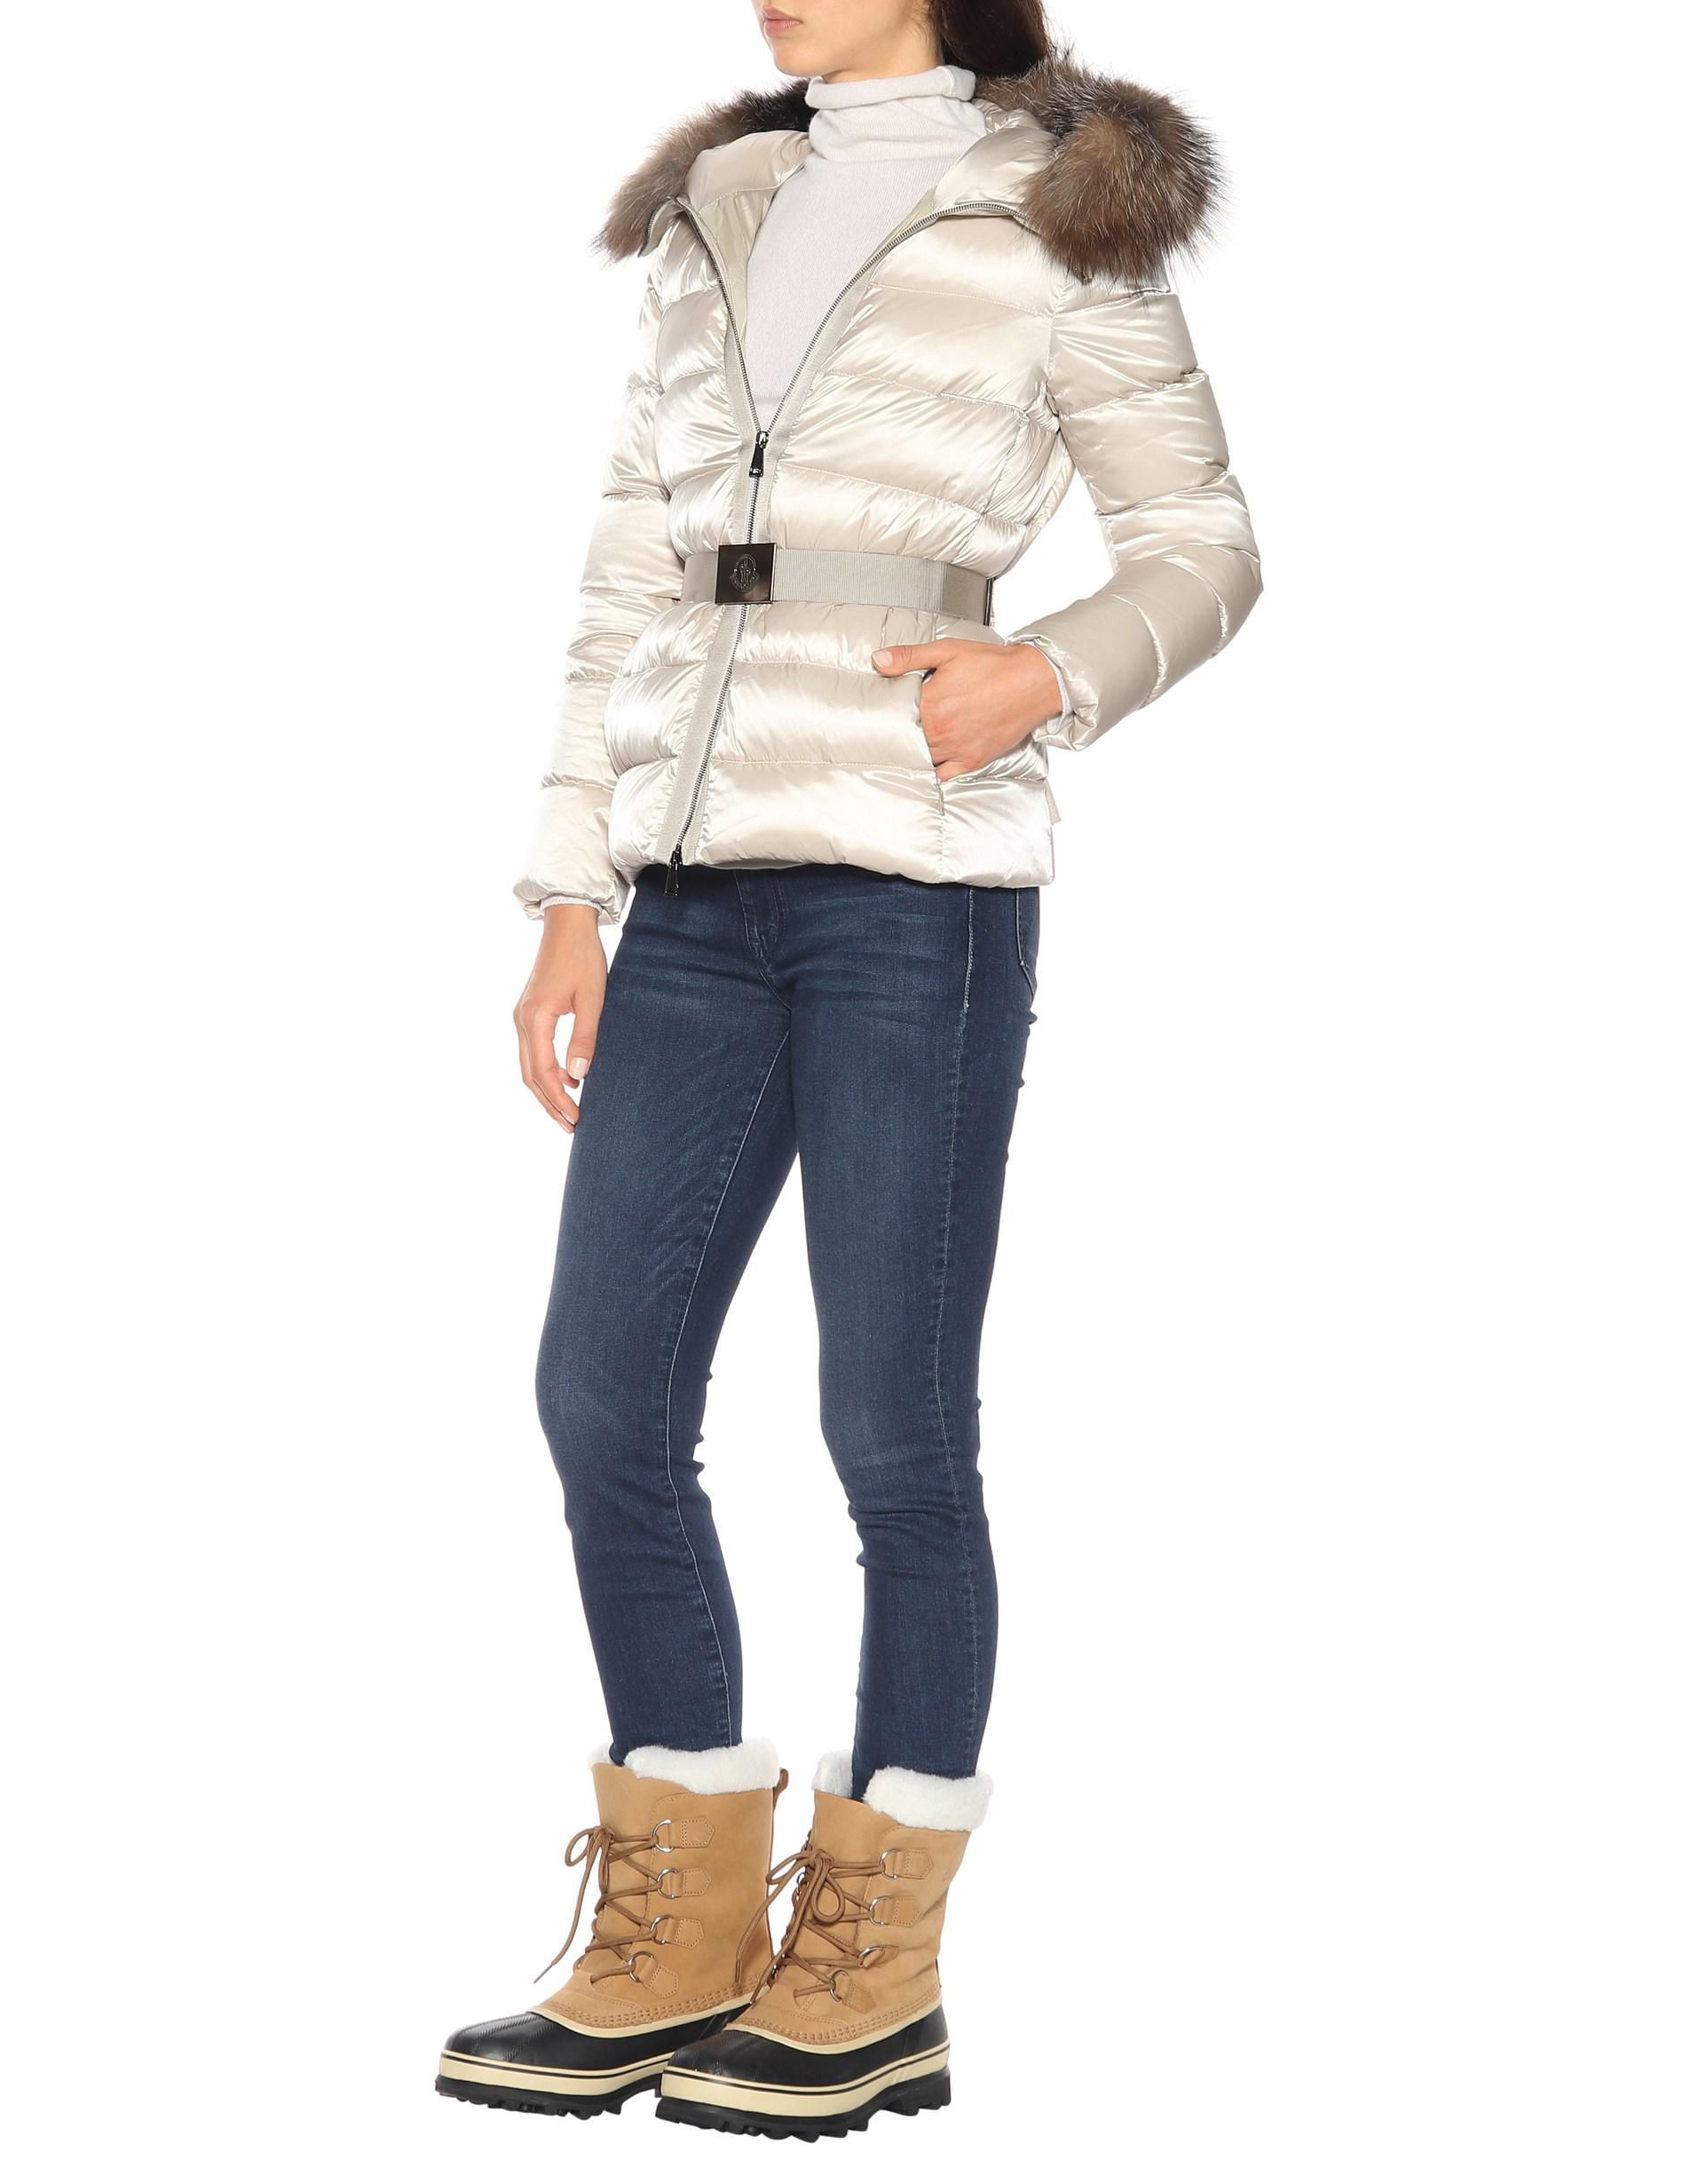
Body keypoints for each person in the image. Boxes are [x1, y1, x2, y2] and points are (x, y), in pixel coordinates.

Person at [436, 0, 1260, 2138]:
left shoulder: (1060, 203)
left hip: (914, 880)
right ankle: (675, 1936)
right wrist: (565, 893)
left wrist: (1046, 673)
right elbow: (630, 563)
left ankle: (872, 1975)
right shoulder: (719, 202)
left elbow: (1202, 545)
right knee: (603, 1398)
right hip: (689, 889)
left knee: (891, 1431)